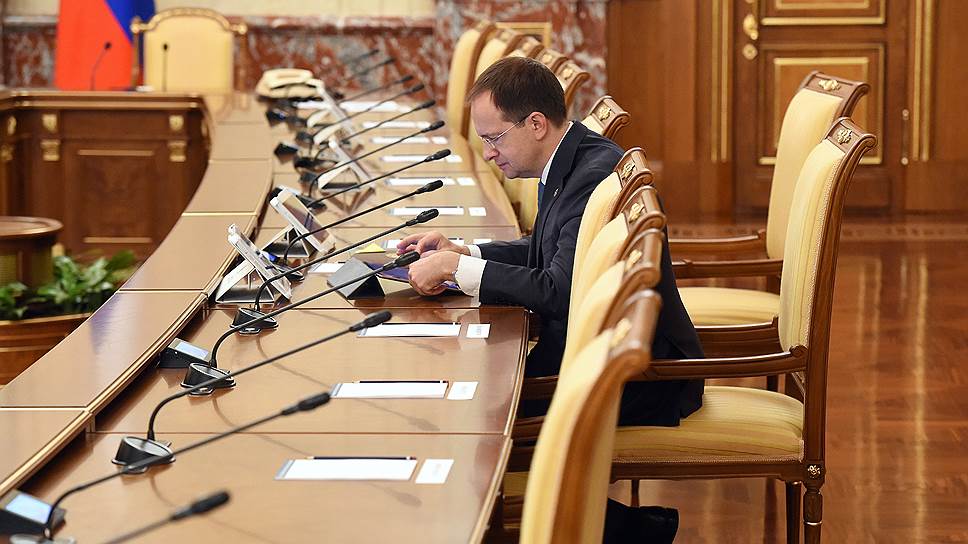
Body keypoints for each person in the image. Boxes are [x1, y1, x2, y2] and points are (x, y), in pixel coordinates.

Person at [399, 57, 703, 542]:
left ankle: (631, 531)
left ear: (536, 124)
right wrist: (465, 251)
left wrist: (457, 270)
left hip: (640, 374)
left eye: (495, 138)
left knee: (470, 420)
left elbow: (559, 290)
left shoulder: (591, 176)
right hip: (599, 351)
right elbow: (548, 252)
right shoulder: (571, 159)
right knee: (468, 407)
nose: (489, 154)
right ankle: (635, 529)